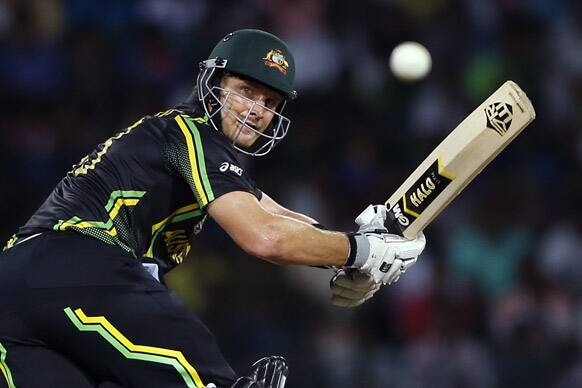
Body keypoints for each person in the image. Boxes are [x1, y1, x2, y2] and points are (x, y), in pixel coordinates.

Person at [0, 29, 425, 388]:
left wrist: (355, 247)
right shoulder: (189, 132)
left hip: (13, 297)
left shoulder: (189, 146)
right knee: (199, 361)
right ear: (213, 84)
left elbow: (275, 215)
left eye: (270, 102)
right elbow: (264, 237)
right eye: (245, 92)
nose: (256, 111)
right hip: (76, 266)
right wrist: (362, 252)